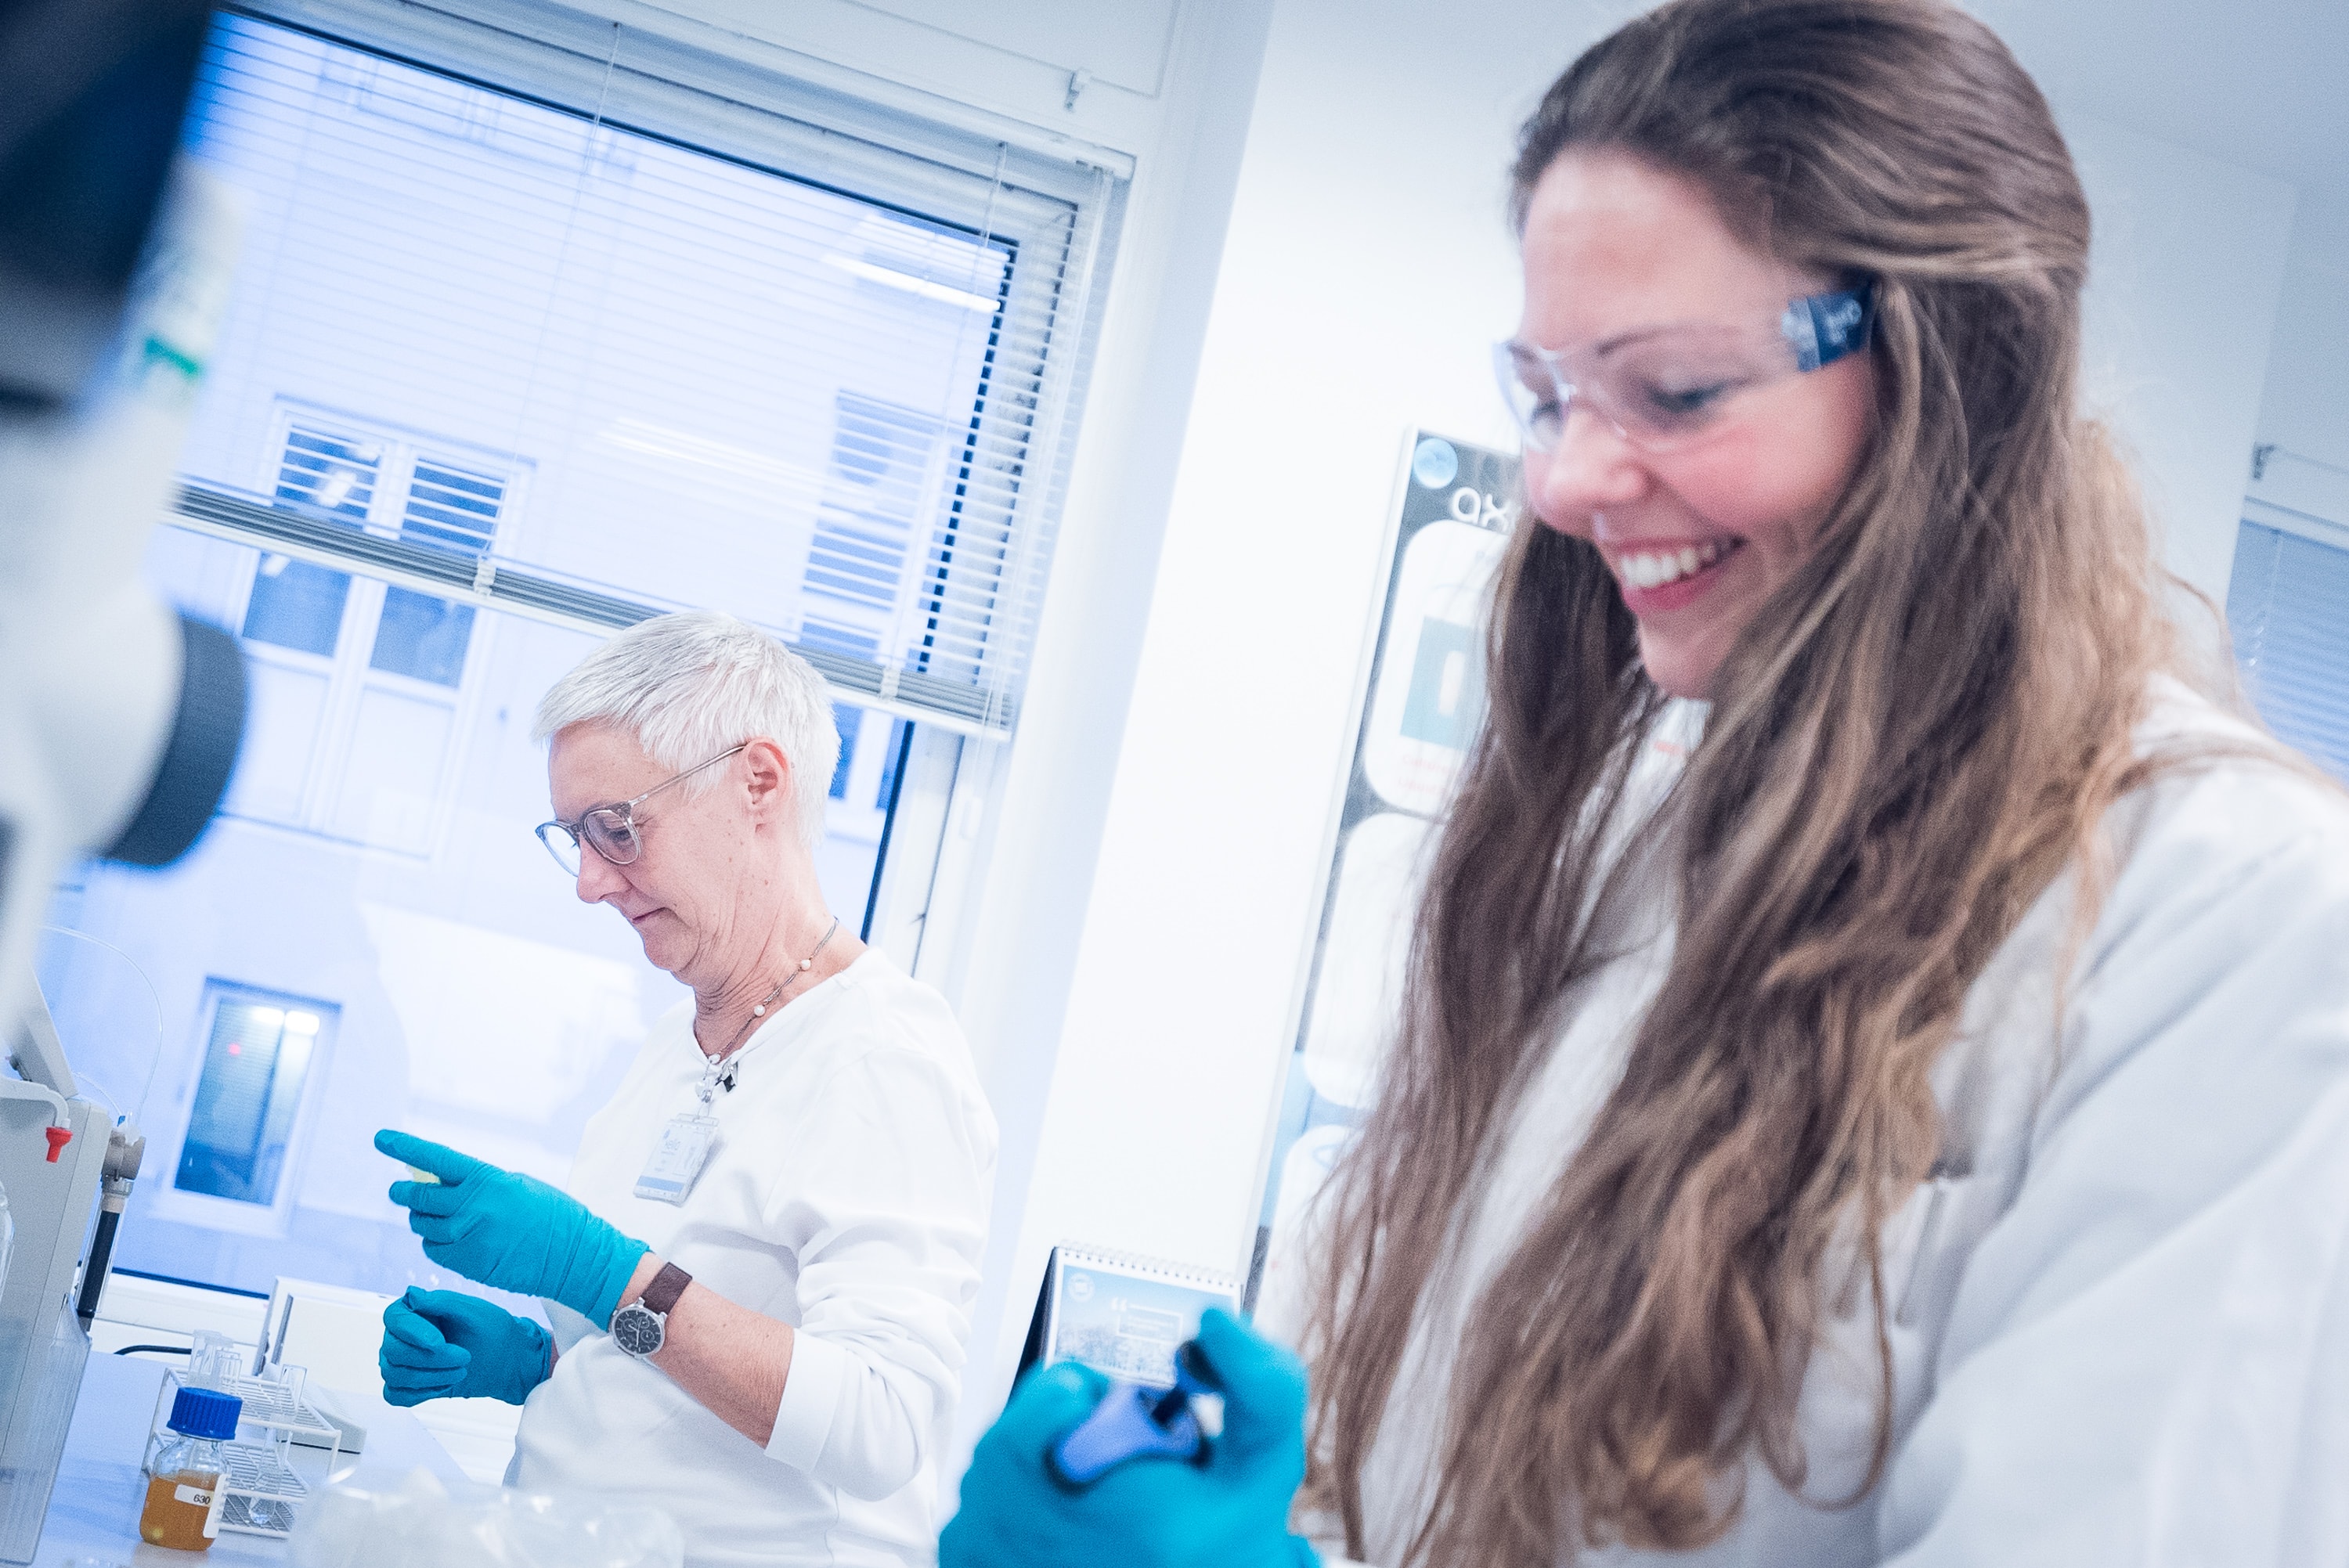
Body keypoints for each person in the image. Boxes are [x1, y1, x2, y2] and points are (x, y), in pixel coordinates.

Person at [942, 0, 2349, 1564]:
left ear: (1960, 373)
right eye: (1548, 392)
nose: (1563, 480)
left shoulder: (2233, 913)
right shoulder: (1631, 828)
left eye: (1675, 391)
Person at [373, 610, 998, 1568]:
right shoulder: (675, 1045)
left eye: (617, 828)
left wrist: (595, 1268)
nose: (589, 880)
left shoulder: (882, 1054)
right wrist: (536, 1364)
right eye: (574, 836)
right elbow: (675, 1360)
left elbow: (882, 1421)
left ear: (757, 783)